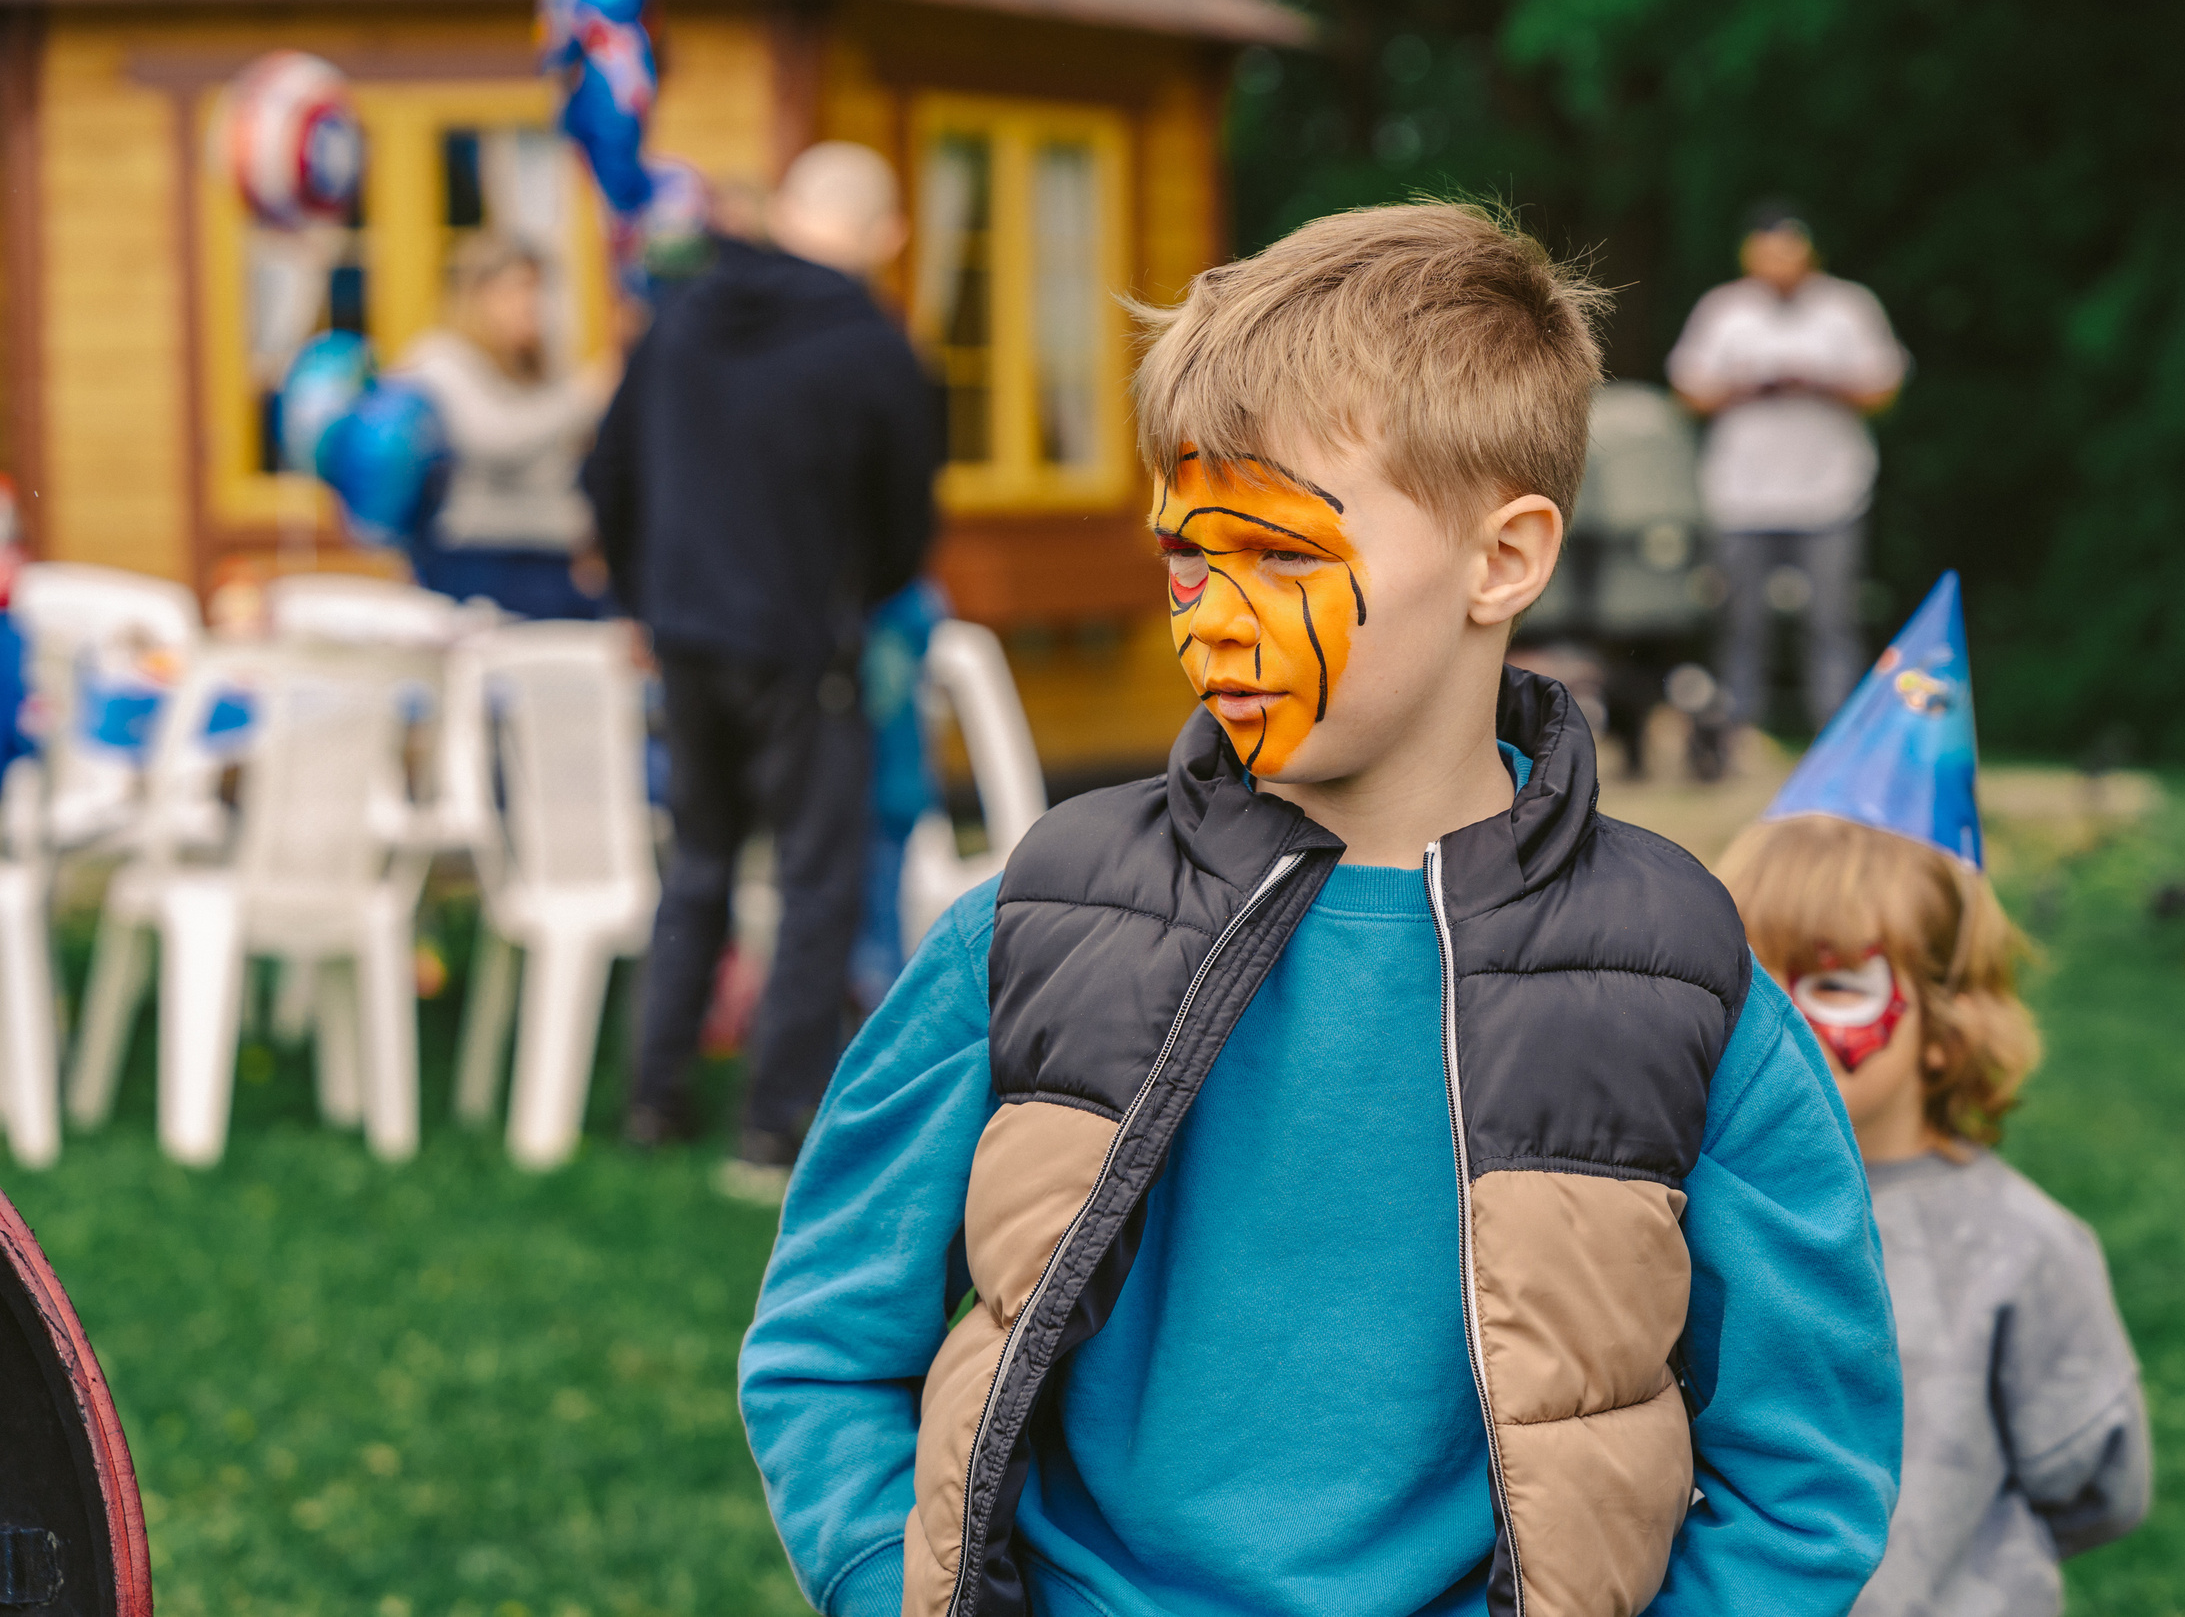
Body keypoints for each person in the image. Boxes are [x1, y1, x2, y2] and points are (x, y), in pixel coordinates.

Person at [740, 202, 1900, 1617]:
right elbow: (820, 1341)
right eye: (1189, 557)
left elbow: (1807, 1468)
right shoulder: (1037, 919)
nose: (1216, 621)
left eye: (1284, 555)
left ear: (1505, 559)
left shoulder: (1676, 978)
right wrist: (891, 1584)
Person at [1718, 573, 2151, 1617]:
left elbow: (2095, 1484)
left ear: (1945, 1020)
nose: (1782, 1023)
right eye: (1750, 978)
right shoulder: (1693, 1206)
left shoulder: (2023, 1246)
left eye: (1831, 982)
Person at [582, 141, 938, 1193]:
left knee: (696, 864)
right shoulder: (873, 346)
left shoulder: (681, 314)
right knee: (815, 883)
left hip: (684, 637)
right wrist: (854, 604)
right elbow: (905, 523)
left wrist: (646, 598)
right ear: (885, 235)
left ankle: (654, 1100)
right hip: (801, 647)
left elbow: (606, 471)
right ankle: (772, 1127)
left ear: (786, 212)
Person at [1667, 202, 1906, 734]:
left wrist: (1820, 383)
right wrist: (1748, 387)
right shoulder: (1723, 310)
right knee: (1740, 621)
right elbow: (1688, 391)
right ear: (1749, 255)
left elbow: (1884, 386)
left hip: (1830, 493)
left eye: (1788, 251)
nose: (1778, 263)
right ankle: (1737, 733)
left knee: (1832, 619)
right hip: (1743, 495)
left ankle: (1838, 732)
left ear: (1808, 251)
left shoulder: (1848, 307)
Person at [397, 232, 620, 618]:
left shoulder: (542, 372)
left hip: (556, 562)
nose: (531, 305)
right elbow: (496, 438)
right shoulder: (441, 360)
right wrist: (588, 394)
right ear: (477, 295)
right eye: (516, 291)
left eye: (537, 291)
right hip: (479, 562)